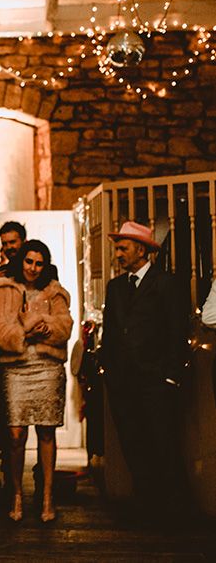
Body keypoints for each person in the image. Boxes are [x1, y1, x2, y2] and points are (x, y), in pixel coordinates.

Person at [99, 221, 189, 520]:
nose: (118, 254)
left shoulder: (166, 283)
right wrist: (109, 373)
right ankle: (147, 508)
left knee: (164, 447)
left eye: (123, 248)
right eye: (118, 248)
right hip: (123, 384)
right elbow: (111, 334)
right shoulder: (115, 287)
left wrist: (171, 376)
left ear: (141, 250)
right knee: (134, 446)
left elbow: (178, 332)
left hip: (156, 383)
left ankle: (174, 512)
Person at [0, 239, 73, 523]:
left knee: (47, 433)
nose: (33, 268)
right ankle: (16, 494)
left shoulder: (55, 291)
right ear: (20, 261)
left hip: (48, 368)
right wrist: (25, 329)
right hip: (16, 369)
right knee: (15, 435)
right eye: (29, 261)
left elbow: (65, 327)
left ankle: (48, 496)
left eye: (39, 263)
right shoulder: (3, 290)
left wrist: (44, 327)